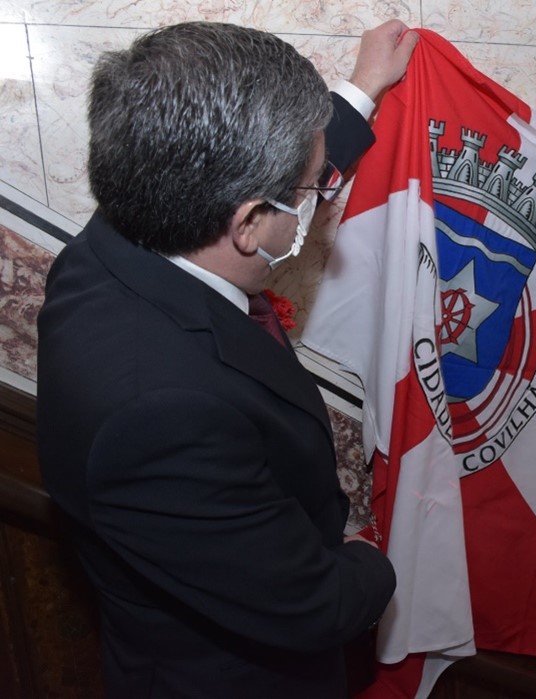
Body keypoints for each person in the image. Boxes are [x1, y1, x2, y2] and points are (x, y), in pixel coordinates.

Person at [35, 20, 418, 697]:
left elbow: (246, 166)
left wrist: (361, 91)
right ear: (246, 223)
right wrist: (370, 559)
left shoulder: (117, 233)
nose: (316, 198)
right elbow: (312, 604)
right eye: (309, 191)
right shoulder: (159, 418)